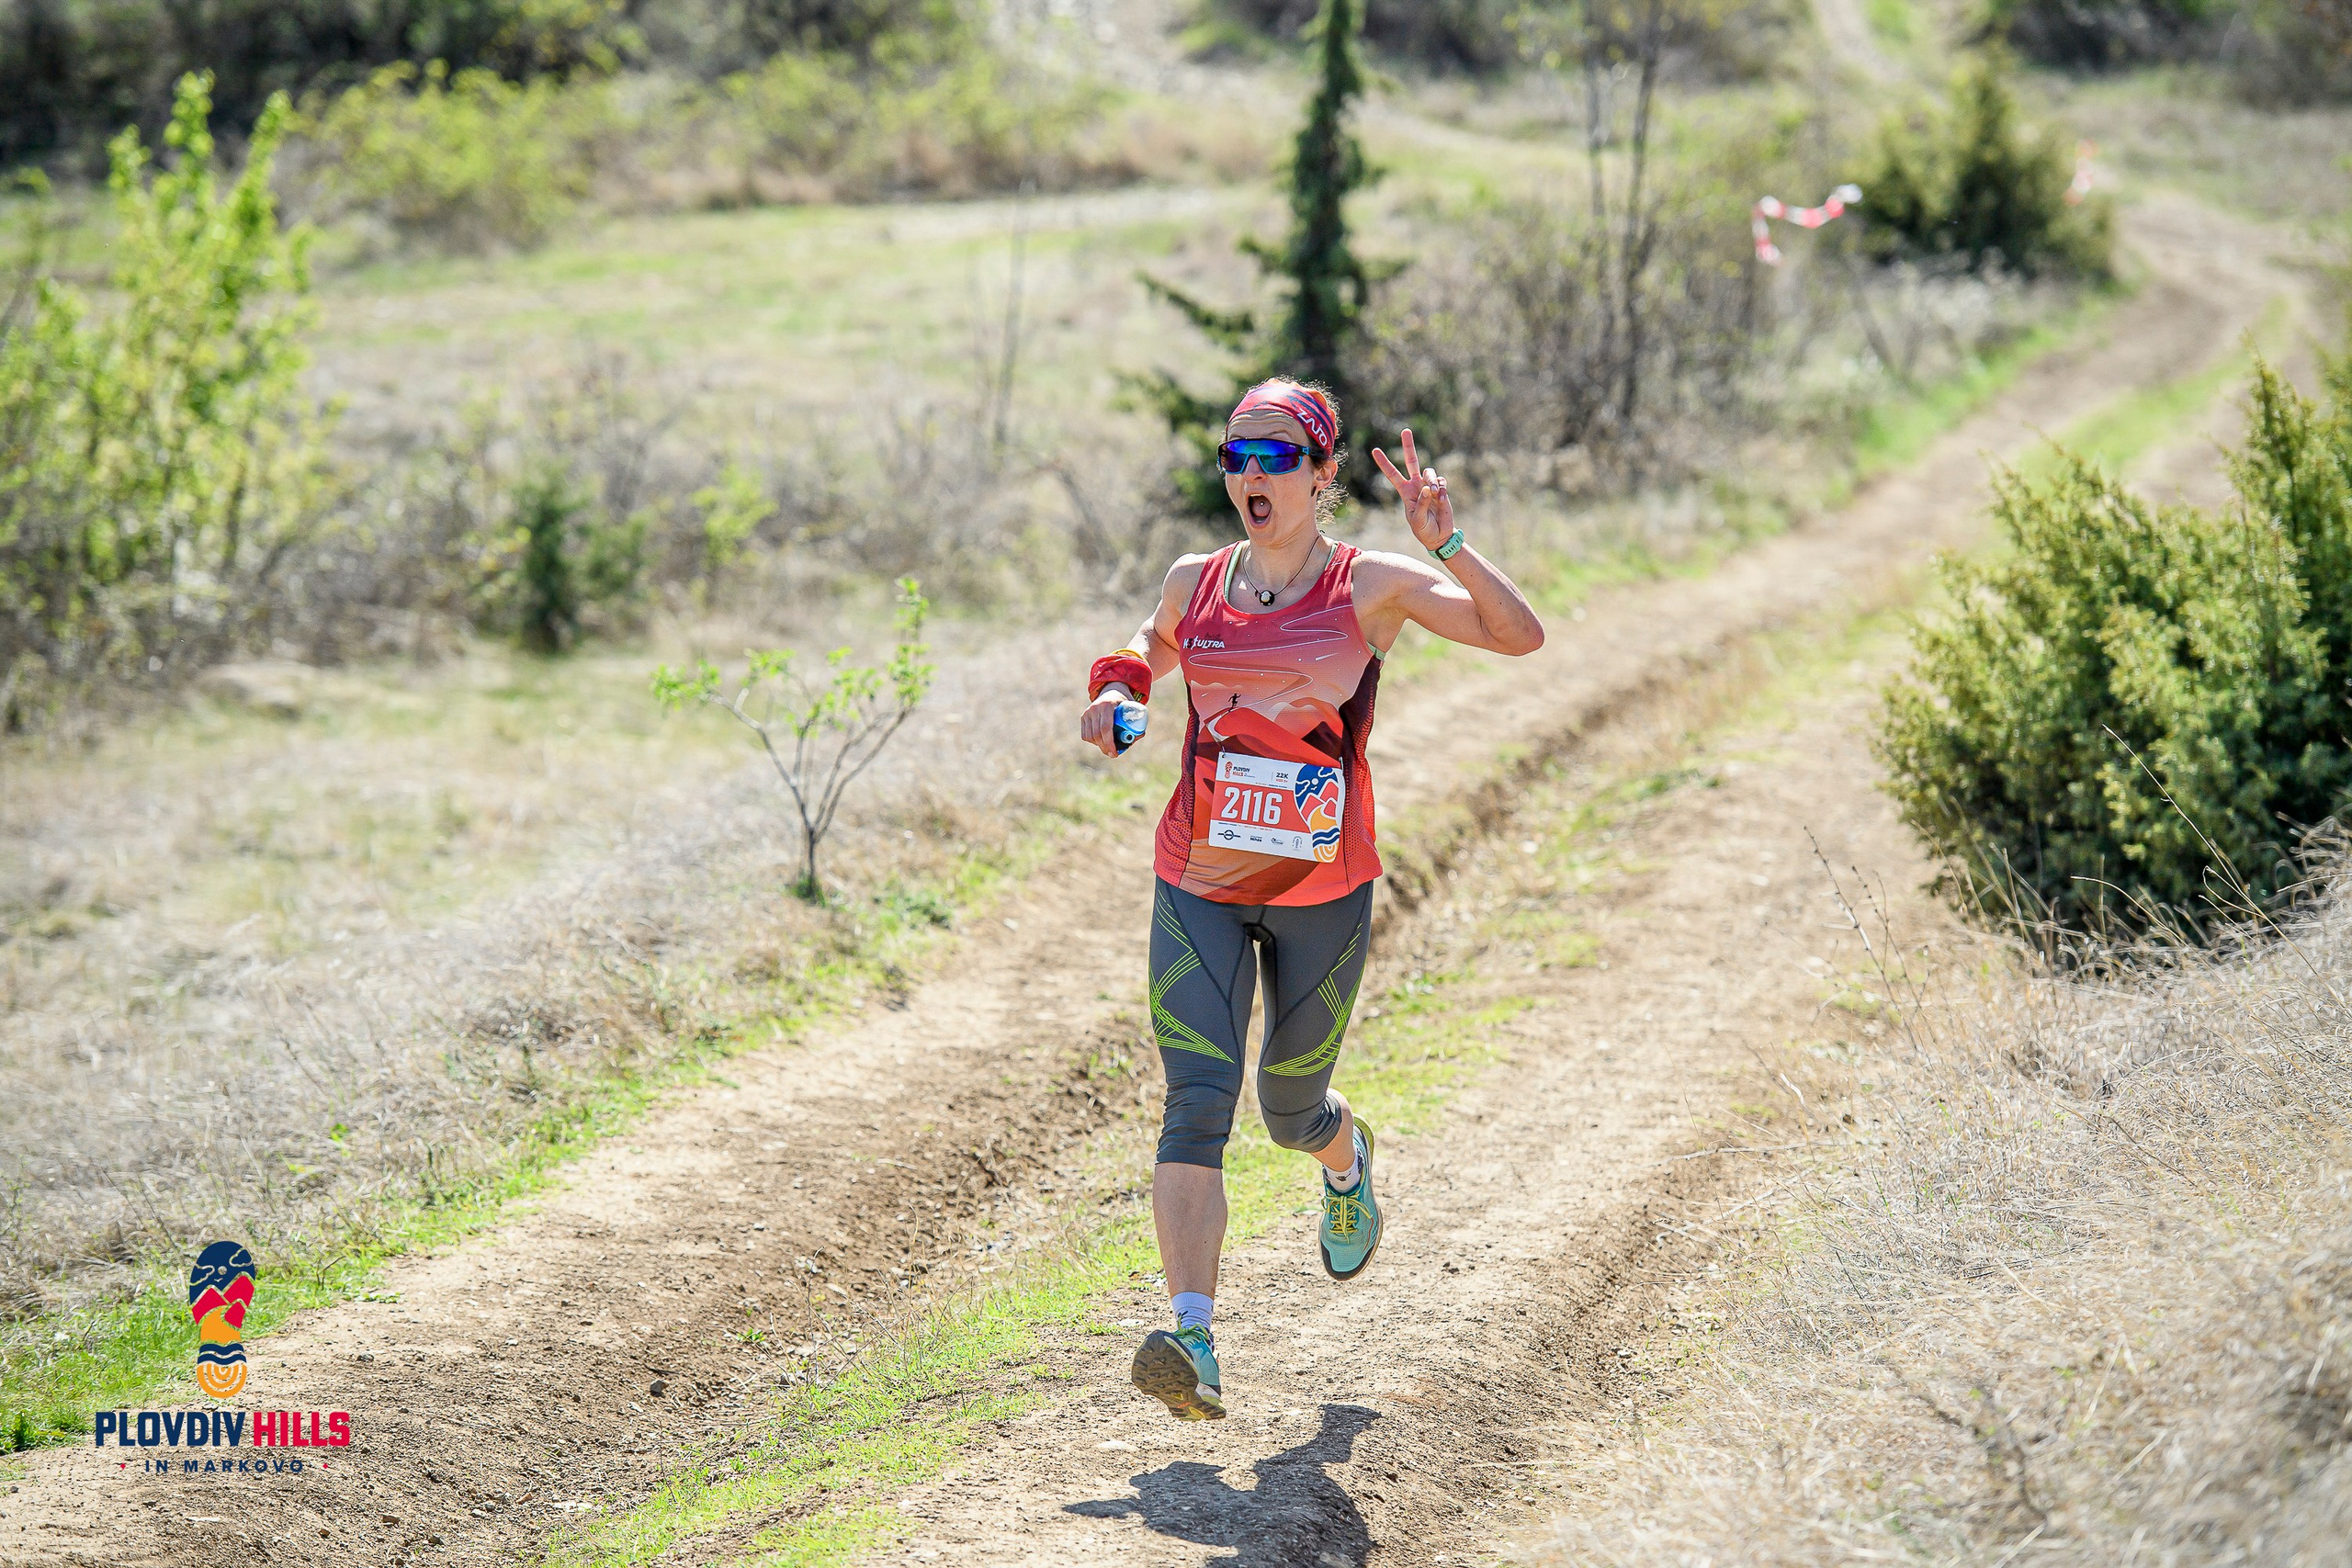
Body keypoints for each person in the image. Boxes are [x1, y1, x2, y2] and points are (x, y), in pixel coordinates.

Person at [1078, 379, 1545, 1421]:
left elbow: (1519, 637)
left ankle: (1344, 1159)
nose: (1252, 473)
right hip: (1197, 877)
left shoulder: (1370, 583)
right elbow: (1150, 644)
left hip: (1321, 889)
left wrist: (1447, 542)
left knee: (1289, 1109)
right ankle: (1192, 1338)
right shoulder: (1195, 579)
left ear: (1322, 473)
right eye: (1235, 455)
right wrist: (1117, 690)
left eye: (1278, 456)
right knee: (1197, 1100)